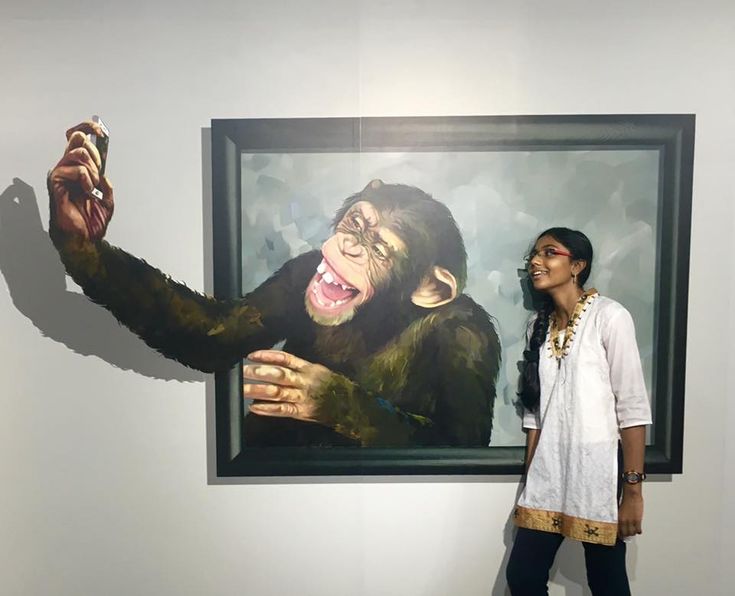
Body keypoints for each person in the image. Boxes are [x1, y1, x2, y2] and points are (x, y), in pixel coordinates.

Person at [505, 227, 652, 595]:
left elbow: (631, 408)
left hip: (598, 472)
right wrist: (530, 480)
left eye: (549, 253)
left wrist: (633, 492)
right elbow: (535, 416)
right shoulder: (536, 328)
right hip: (548, 474)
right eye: (533, 256)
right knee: (523, 577)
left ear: (578, 265)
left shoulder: (609, 317)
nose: (536, 262)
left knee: (607, 583)